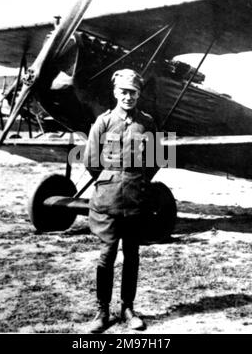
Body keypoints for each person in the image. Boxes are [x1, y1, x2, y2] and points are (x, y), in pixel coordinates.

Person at [84, 68, 158, 333]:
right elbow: (91, 161)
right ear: (115, 93)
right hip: (109, 200)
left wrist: (136, 180)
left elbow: (154, 159)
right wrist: (112, 179)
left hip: (136, 199)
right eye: (124, 92)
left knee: (133, 255)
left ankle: (128, 308)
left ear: (139, 94)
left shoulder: (146, 123)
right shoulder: (103, 122)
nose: (128, 97)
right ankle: (102, 311)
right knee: (107, 255)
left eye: (133, 93)